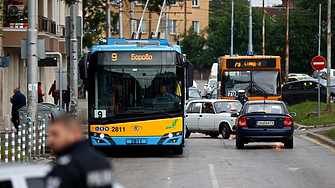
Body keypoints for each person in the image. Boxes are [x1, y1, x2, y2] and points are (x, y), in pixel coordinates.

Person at [45, 115, 114, 188]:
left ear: (74, 134)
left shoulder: (64, 169)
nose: (49, 140)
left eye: (55, 134)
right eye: (49, 135)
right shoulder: (102, 162)